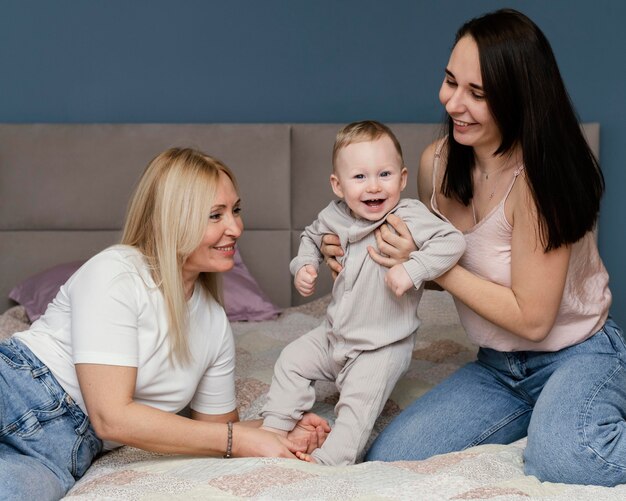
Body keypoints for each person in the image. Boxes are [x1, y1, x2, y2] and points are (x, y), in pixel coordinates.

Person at [322, 9, 623, 487]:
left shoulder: (540, 182)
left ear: (518, 100)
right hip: (497, 367)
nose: (453, 103)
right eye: (450, 81)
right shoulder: (435, 166)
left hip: (576, 353)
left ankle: (566, 411)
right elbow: (425, 272)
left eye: (476, 94)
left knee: (564, 458)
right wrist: (348, 250)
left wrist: (431, 268)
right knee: (392, 456)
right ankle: (548, 413)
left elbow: (533, 318)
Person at [0, 147, 329, 500]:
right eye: (215, 215)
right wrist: (239, 439)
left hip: (62, 452)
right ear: (172, 219)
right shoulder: (117, 272)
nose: (235, 228)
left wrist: (278, 427)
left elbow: (219, 433)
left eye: (235, 210)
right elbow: (112, 417)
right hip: (17, 392)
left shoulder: (213, 322)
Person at [260, 121, 465, 466]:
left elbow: (454, 241)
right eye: (359, 177)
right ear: (338, 186)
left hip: (381, 347)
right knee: (291, 361)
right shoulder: (334, 215)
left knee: (357, 405)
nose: (373, 187)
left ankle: (329, 463)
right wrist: (304, 266)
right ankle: (274, 429)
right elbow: (310, 236)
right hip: (334, 335)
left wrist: (413, 269)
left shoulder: (410, 214)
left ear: (401, 179)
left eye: (384, 174)